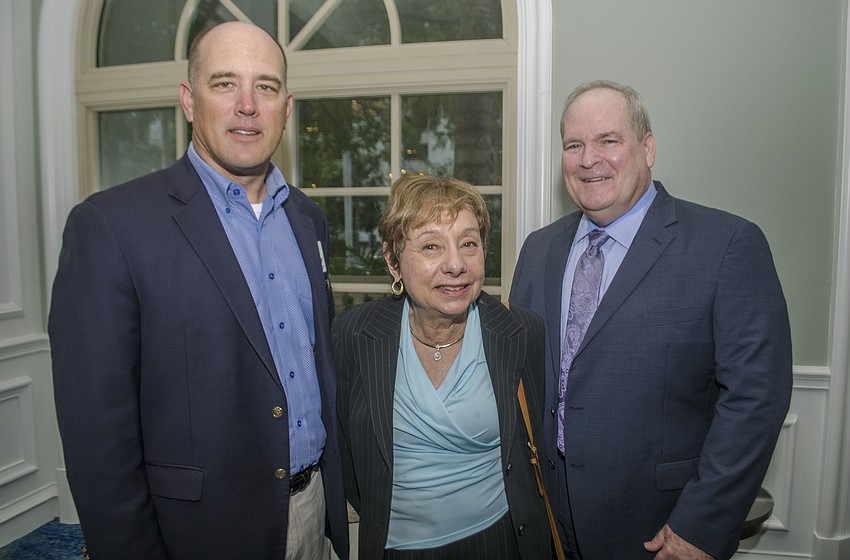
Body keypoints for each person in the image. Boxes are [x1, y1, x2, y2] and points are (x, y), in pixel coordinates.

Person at [48, 21, 348, 560]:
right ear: (189, 100)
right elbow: (98, 439)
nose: (247, 105)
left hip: (313, 509)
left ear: (286, 107)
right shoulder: (112, 227)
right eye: (224, 83)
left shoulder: (308, 219)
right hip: (200, 531)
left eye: (266, 87)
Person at [510, 80, 793, 560]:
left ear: (648, 147)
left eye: (608, 140)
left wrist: (700, 527)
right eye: (573, 145)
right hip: (547, 519)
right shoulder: (539, 249)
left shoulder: (726, 245)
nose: (588, 159)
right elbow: (521, 378)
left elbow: (756, 397)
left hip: (659, 528)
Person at [333, 175, 552, 559]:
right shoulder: (354, 334)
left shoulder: (520, 331)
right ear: (393, 261)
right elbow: (349, 459)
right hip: (395, 549)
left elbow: (537, 449)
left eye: (468, 243)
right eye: (431, 246)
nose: (455, 264)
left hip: (501, 542)